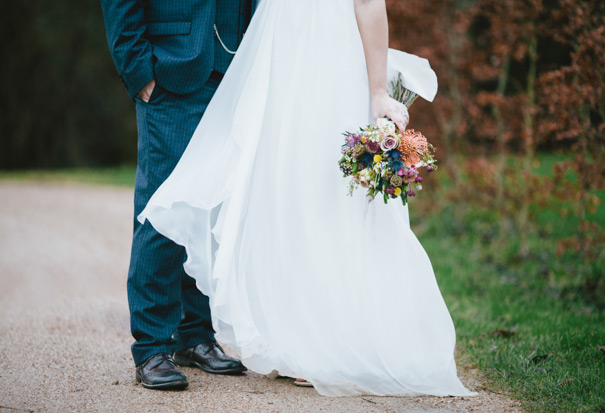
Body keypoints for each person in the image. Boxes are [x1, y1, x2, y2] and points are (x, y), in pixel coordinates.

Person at [140, 0, 477, 397]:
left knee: (327, 193)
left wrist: (378, 90)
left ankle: (329, 336)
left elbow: (369, 3)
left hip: (330, 59)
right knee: (281, 194)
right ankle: (290, 337)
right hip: (274, 58)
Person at [99, 0, 258, 390]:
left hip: (235, 70)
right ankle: (153, 346)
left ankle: (195, 335)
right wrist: (137, 71)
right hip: (171, 69)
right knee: (164, 209)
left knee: (210, 212)